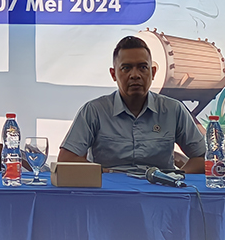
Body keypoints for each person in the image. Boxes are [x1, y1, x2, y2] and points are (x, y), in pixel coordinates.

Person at [58, 35, 206, 173]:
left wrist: (175, 179)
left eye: (143, 67)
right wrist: (105, 174)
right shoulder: (94, 111)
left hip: (159, 189)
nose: (135, 75)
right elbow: (67, 160)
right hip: (109, 190)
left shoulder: (173, 110)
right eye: (126, 68)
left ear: (153, 73)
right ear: (113, 74)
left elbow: (204, 158)